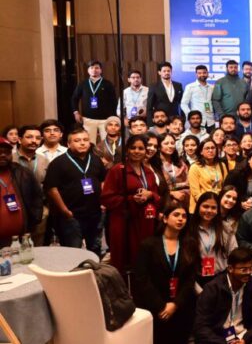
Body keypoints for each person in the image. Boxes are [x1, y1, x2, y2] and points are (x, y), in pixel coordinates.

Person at [133, 202, 197, 344]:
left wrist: (175, 304)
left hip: (181, 307)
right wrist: (161, 305)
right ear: (165, 218)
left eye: (184, 216)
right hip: (155, 307)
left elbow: (190, 279)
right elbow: (142, 279)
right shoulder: (148, 245)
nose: (180, 219)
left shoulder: (190, 244)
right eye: (176, 215)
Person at [101, 135, 162, 272]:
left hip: (145, 221)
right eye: (133, 148)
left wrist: (150, 195)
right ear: (127, 150)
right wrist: (131, 199)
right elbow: (106, 198)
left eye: (141, 148)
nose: (137, 151)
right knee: (123, 259)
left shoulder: (148, 172)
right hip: (123, 221)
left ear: (145, 151)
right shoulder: (118, 170)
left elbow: (157, 196)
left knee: (143, 257)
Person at [193, 247, 252, 344]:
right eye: (244, 269)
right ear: (230, 269)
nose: (248, 273)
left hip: (242, 334)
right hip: (219, 337)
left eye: (250, 268)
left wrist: (245, 339)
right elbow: (201, 327)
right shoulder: (213, 288)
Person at [43, 128, 106, 256]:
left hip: (95, 213)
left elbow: (103, 181)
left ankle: (95, 269)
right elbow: (52, 189)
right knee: (73, 252)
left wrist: (103, 202)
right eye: (77, 140)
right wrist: (65, 210)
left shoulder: (96, 160)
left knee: (95, 249)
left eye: (85, 140)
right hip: (71, 215)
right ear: (68, 144)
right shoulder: (58, 163)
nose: (82, 143)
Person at [187, 191, 238, 286]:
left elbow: (233, 253)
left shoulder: (225, 228)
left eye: (213, 208)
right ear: (198, 207)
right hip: (197, 280)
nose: (209, 210)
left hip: (221, 278)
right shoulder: (189, 229)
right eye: (205, 206)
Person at [0, 137, 43, 247]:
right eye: (0, 152)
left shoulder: (22, 172)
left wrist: (36, 218)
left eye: (7, 152)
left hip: (22, 237)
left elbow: (37, 196)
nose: (3, 155)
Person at [71, 60, 118, 144]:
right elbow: (74, 98)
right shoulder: (83, 84)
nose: (94, 70)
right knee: (89, 142)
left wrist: (112, 118)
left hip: (105, 119)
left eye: (97, 68)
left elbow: (114, 101)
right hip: (88, 119)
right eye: (91, 68)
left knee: (107, 143)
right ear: (88, 70)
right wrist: (76, 112)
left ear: (101, 70)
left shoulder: (108, 84)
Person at [187, 138, 228, 213]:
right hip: (200, 207)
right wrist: (209, 205)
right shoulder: (195, 167)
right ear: (201, 152)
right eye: (207, 148)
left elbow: (225, 187)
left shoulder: (222, 165)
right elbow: (196, 193)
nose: (210, 150)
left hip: (218, 206)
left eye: (213, 148)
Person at [180, 65, 215, 130]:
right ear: (196, 74)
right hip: (197, 121)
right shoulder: (190, 87)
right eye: (199, 73)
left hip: (210, 121)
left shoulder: (211, 87)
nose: (202, 75)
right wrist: (191, 115)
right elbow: (183, 103)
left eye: (204, 73)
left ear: (207, 73)